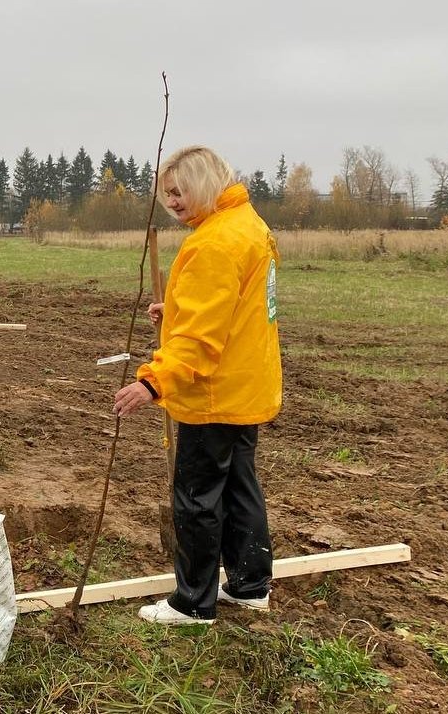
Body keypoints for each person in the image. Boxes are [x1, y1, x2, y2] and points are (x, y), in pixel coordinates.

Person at [112, 145, 281, 625]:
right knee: (239, 486)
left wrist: (152, 383)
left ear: (205, 183)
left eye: (179, 191)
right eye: (168, 195)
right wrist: (178, 310)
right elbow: (235, 309)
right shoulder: (249, 226)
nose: (173, 202)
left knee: (197, 495)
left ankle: (193, 603)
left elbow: (200, 339)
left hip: (213, 393)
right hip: (245, 386)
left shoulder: (212, 243)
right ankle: (249, 586)